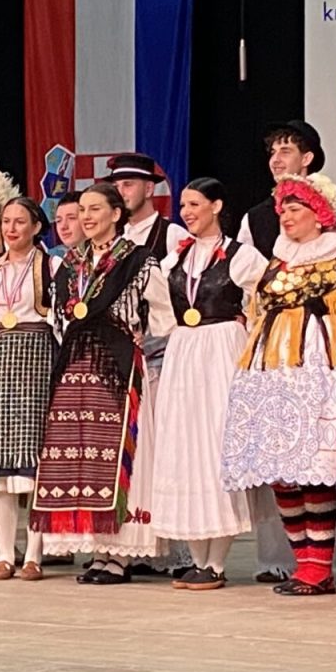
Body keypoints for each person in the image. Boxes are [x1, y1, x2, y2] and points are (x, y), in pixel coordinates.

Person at [222, 173, 336, 595]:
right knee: (282, 472)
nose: (286, 216)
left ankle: (320, 566)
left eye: (296, 209)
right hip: (270, 370)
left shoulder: (335, 266)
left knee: (313, 473)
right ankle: (303, 561)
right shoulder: (275, 265)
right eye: (284, 210)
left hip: (315, 370)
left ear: (319, 216)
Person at [142, 178, 267, 588]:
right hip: (184, 351)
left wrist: (246, 331)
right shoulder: (174, 259)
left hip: (221, 350)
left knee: (216, 445)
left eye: (195, 204)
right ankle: (198, 558)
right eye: (183, 205)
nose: (187, 212)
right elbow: (160, 313)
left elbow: (266, 301)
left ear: (216, 206)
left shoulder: (242, 256)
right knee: (185, 449)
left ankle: (216, 562)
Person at [32, 182, 160, 583]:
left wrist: (144, 338)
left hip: (117, 364)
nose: (86, 217)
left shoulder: (137, 260)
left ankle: (120, 553)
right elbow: (57, 317)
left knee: (117, 453)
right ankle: (99, 550)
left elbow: (164, 315)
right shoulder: (71, 263)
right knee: (83, 459)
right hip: (76, 364)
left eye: (94, 209)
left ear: (116, 214)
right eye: (81, 210)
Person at [0, 193, 57, 579]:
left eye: (20, 222)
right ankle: (5, 554)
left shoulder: (50, 265)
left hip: (34, 356)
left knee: (33, 462)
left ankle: (34, 554)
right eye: (6, 222)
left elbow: (59, 316)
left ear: (36, 227)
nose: (12, 229)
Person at [242, 121, 325, 255]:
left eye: (285, 152)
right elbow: (245, 264)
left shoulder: (335, 208)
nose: (275, 160)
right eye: (273, 152)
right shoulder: (255, 217)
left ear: (306, 159)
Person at [107, 153, 177, 260]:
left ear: (149, 189)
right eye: (116, 186)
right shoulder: (114, 235)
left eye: (128, 185)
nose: (120, 193)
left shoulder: (172, 234)